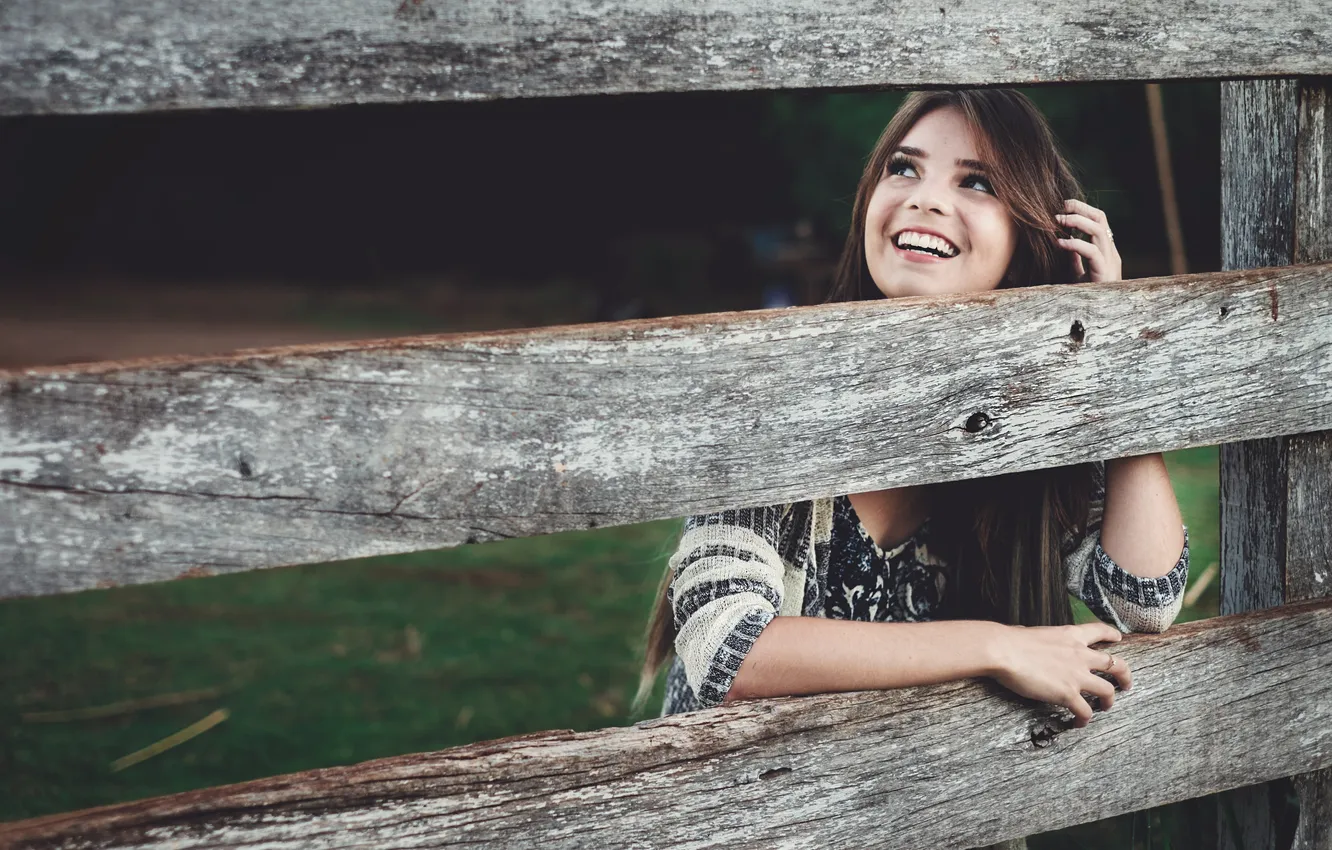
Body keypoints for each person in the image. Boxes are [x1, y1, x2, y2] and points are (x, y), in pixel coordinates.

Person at [632, 89, 1190, 727]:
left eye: (976, 182)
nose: (926, 199)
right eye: (904, 168)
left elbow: (1143, 601)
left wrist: (1112, 344)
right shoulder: (773, 388)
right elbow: (726, 650)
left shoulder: (1027, 414)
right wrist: (996, 647)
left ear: (1028, 239)